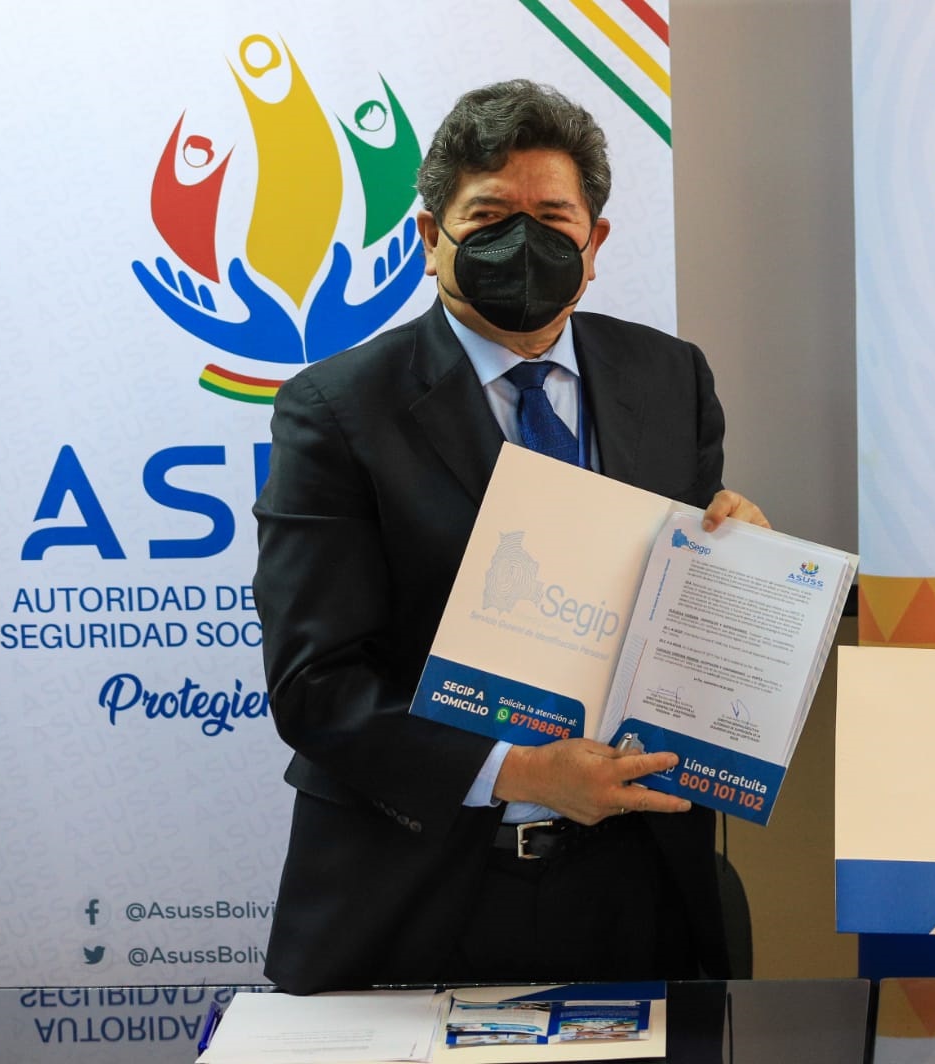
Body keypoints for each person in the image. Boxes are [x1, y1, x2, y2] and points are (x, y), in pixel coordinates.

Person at [253, 79, 767, 994]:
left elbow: (677, 636)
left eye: (553, 218)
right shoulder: (336, 411)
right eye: (489, 217)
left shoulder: (671, 377)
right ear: (430, 237)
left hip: (639, 887)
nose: (522, 244)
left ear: (594, 243)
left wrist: (738, 564)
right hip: (420, 894)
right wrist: (519, 770)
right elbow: (316, 685)